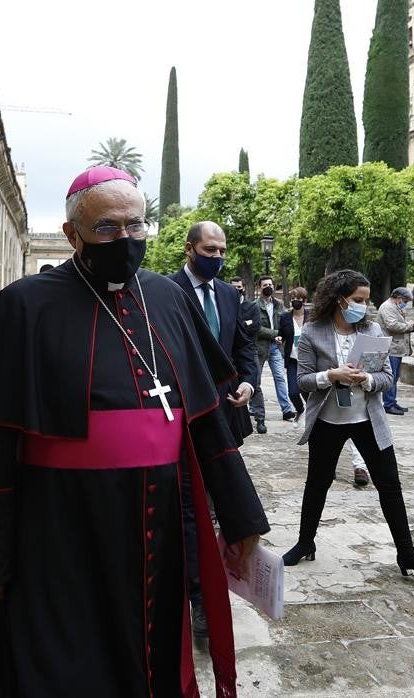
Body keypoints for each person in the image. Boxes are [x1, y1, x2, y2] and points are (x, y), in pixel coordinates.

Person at [0, 166, 270, 697]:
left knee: (154, 656)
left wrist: (240, 519)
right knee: (66, 663)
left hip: (158, 524)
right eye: (108, 228)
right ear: (74, 235)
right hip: (59, 529)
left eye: (136, 225)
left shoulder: (167, 298)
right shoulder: (24, 307)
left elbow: (207, 425)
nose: (126, 239)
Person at [282, 269, 414, 580]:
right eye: (357, 300)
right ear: (339, 299)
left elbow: (386, 377)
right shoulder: (314, 331)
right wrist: (331, 375)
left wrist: (367, 378)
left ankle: (407, 553)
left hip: (367, 420)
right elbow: (302, 381)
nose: (363, 306)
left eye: (366, 300)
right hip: (328, 421)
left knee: (390, 484)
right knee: (317, 483)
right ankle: (305, 543)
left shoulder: (371, 330)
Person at [169, 221, 260, 640]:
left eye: (222, 250)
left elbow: (244, 347)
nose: (218, 258)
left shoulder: (229, 295)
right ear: (190, 249)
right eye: (210, 250)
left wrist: (247, 380)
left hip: (224, 414)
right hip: (179, 417)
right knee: (187, 506)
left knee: (213, 502)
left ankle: (210, 588)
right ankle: (195, 591)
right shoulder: (164, 292)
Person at [249, 275, 298, 431]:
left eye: (270, 284)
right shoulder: (254, 306)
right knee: (256, 381)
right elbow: (256, 328)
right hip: (260, 347)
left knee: (279, 377)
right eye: (265, 285)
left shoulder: (279, 305)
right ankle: (256, 412)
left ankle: (286, 409)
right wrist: (276, 333)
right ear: (259, 287)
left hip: (276, 347)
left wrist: (282, 335)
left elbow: (286, 321)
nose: (268, 287)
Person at [377, 287, 414, 416]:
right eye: (405, 300)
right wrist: (409, 326)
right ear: (399, 297)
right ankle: (389, 404)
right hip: (391, 348)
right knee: (392, 376)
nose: (405, 303)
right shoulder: (388, 307)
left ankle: (392, 402)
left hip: (396, 347)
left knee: (395, 377)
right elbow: (392, 325)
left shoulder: (394, 306)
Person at [277, 286, 310, 423]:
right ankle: (300, 409)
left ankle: (315, 414)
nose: (295, 301)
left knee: (308, 392)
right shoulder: (285, 317)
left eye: (298, 299)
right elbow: (281, 334)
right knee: (293, 392)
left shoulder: (312, 317)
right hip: (293, 360)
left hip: (309, 361)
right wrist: (279, 339)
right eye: (293, 299)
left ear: (304, 300)